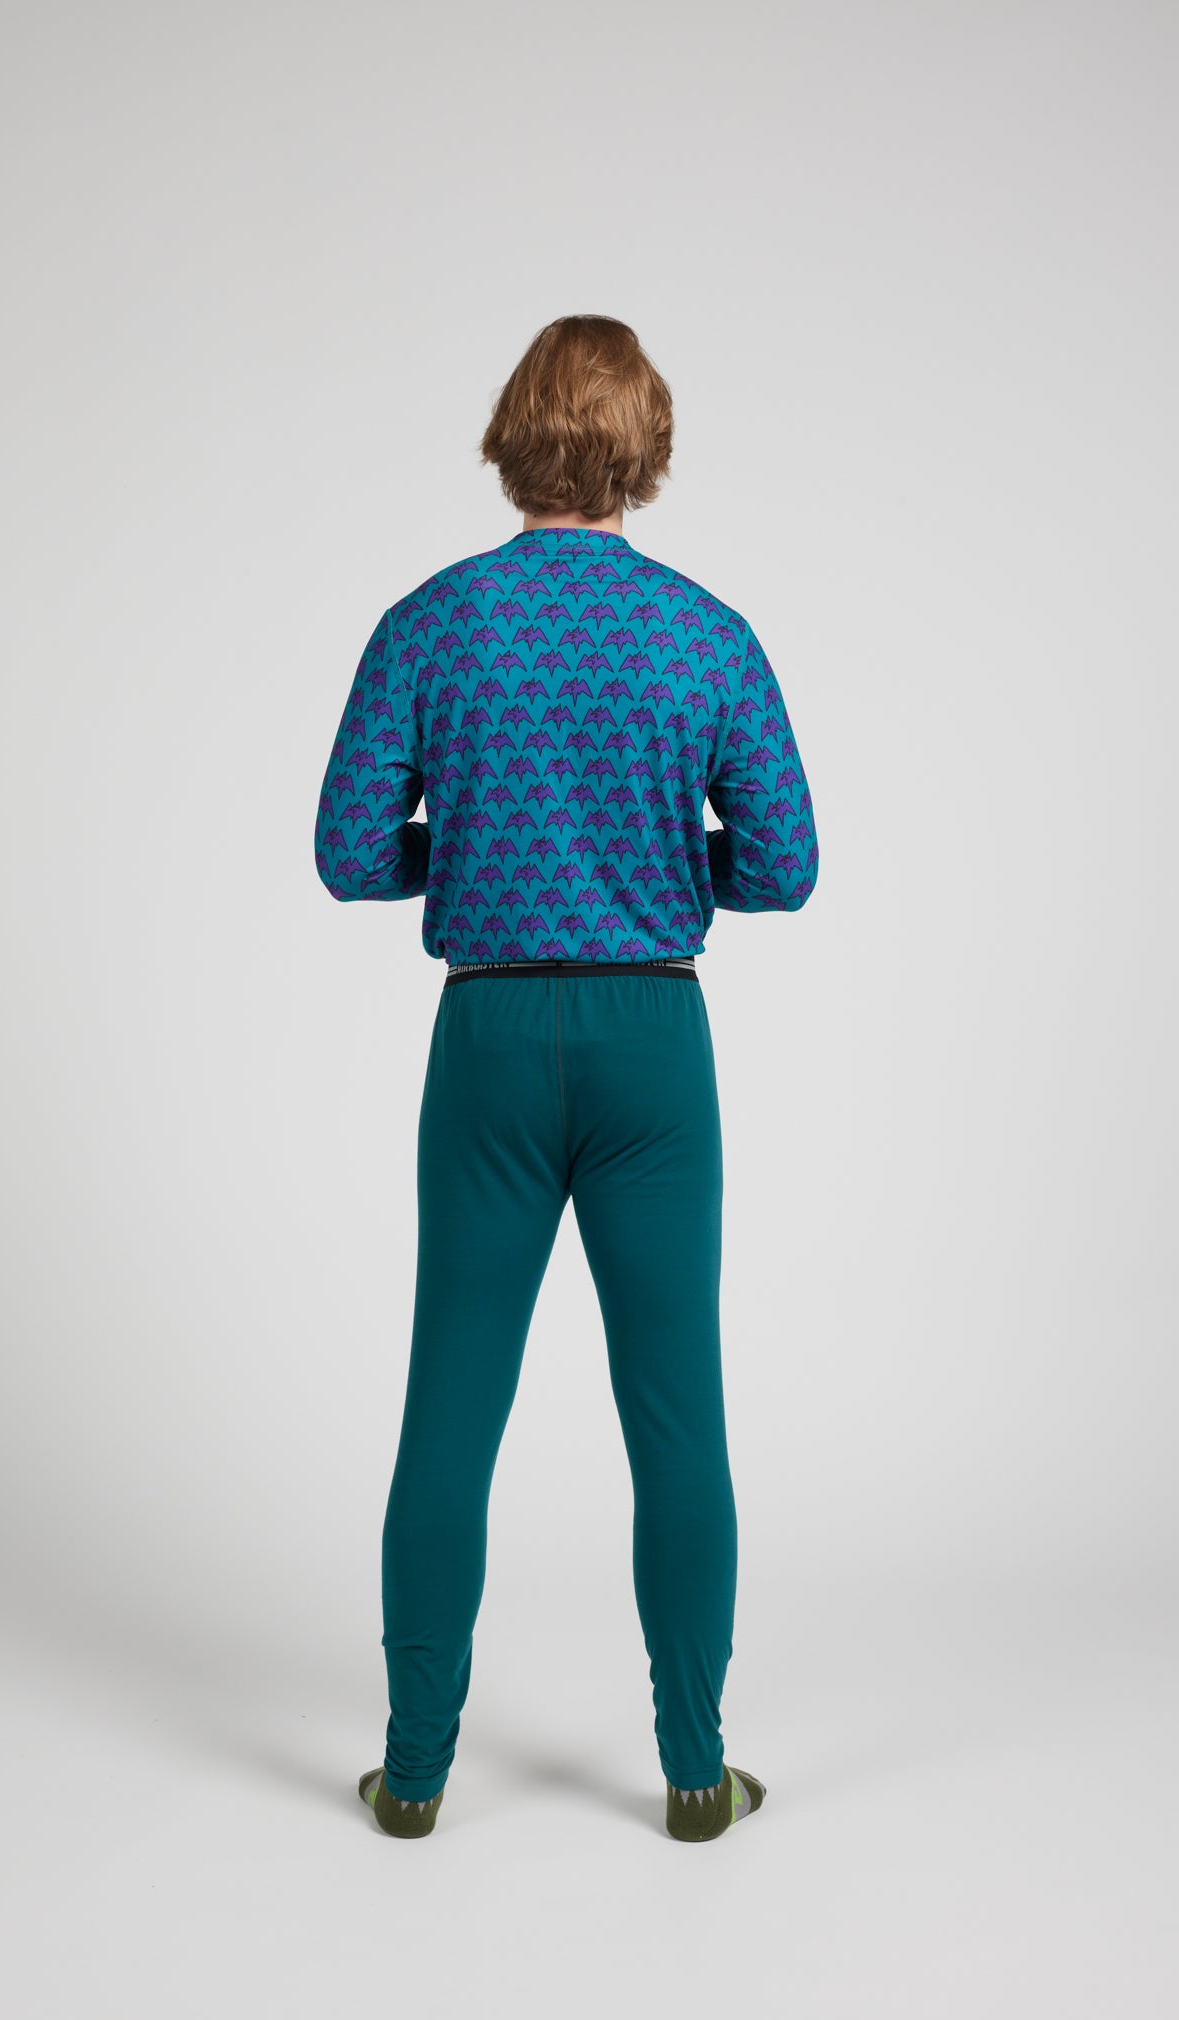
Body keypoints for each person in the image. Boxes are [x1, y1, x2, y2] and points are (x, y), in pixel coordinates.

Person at [314, 314, 819, 1843]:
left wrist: (476, 847)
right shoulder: (705, 635)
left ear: (511, 436)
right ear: (642, 449)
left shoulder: (431, 624)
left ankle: (413, 1774)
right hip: (652, 1048)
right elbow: (783, 869)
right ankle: (694, 1771)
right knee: (677, 1412)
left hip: (484, 1043)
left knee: (449, 1407)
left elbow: (348, 854)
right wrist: (653, 862)